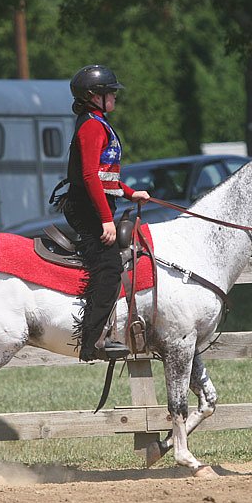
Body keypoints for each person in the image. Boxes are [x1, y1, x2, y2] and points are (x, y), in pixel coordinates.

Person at [60, 65, 149, 361]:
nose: (113, 96)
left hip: (94, 204)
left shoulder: (98, 122)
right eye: (108, 92)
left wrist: (128, 192)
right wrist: (106, 220)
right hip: (86, 208)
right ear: (92, 97)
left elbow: (104, 174)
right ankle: (92, 342)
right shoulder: (91, 126)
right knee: (110, 269)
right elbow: (89, 176)